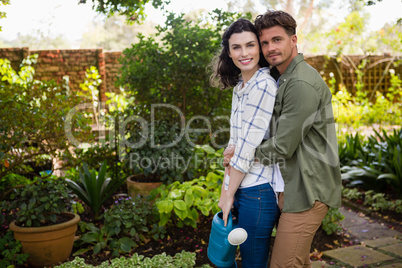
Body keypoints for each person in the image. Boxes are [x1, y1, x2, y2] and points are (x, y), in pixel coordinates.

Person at [252, 10, 342, 267]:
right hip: (295, 186)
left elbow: (283, 145)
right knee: (296, 261)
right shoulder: (281, 77)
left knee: (283, 263)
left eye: (277, 40)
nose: (270, 48)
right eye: (265, 43)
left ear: (294, 40)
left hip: (308, 190)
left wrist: (243, 154)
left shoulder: (300, 83)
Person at [210, 18, 284, 268]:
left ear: (259, 49)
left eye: (250, 45)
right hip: (242, 186)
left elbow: (247, 147)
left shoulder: (263, 84)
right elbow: (234, 146)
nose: (244, 53)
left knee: (253, 262)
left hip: (258, 191)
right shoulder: (241, 87)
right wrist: (226, 193)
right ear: (228, 52)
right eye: (236, 47)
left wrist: (228, 195)